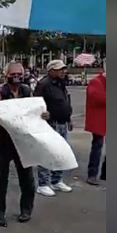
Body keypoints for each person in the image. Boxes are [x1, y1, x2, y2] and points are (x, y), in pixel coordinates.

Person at [0, 61, 48, 227]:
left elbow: (35, 114)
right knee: (1, 179)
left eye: (19, 74)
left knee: (27, 178)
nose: (16, 77)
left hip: (22, 142)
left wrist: (43, 115)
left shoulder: (26, 91)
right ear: (6, 75)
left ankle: (26, 210)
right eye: (13, 74)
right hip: (2, 142)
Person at [33, 59, 75, 196]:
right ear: (51, 70)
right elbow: (35, 103)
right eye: (59, 69)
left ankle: (57, 180)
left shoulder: (61, 83)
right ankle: (43, 183)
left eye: (64, 69)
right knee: (47, 152)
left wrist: (69, 118)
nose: (63, 71)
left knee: (60, 152)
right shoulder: (43, 84)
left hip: (63, 122)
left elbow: (65, 100)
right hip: (51, 123)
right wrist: (41, 114)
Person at [85, 62, 106, 185]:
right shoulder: (96, 82)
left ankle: (104, 173)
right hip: (99, 120)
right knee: (97, 147)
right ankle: (92, 174)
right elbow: (96, 98)